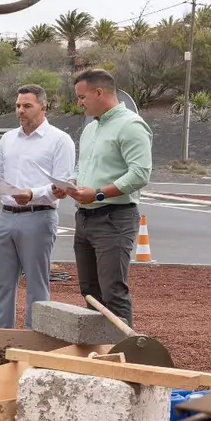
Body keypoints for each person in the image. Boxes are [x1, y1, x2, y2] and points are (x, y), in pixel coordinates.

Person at [51, 68, 152, 327]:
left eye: (82, 96)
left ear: (99, 92)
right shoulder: (90, 128)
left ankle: (121, 355)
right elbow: (83, 167)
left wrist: (97, 192)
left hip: (113, 218)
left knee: (113, 292)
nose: (79, 103)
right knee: (90, 293)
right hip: (85, 218)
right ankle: (98, 350)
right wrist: (71, 184)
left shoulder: (131, 125)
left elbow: (140, 174)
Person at [0, 84, 76, 328]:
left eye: (27, 106)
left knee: (36, 285)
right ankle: (1, 337)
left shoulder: (60, 141)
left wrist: (32, 194)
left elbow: (62, 185)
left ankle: (33, 338)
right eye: (18, 105)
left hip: (38, 216)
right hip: (6, 217)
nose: (21, 110)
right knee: (2, 284)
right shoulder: (8, 139)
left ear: (43, 107)